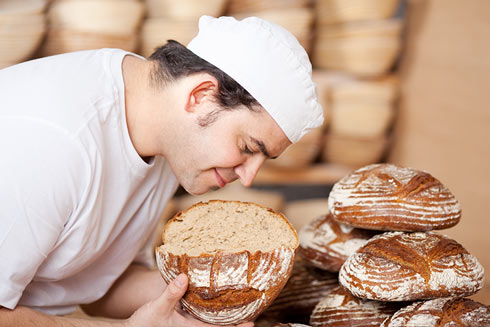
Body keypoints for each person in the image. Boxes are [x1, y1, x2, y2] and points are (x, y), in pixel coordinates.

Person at [0, 15, 323, 326]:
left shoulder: (167, 134)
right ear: (201, 96)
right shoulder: (54, 142)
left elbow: (102, 285)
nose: (248, 177)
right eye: (248, 148)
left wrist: (222, 293)